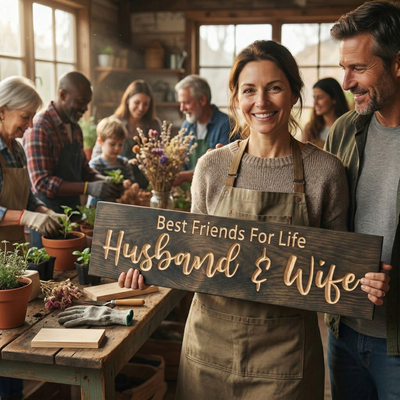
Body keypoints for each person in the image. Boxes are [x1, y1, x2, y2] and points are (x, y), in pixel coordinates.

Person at [119, 40, 352, 399]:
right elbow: (190, 258)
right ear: (236, 97)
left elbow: (339, 272)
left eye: (274, 88)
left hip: (286, 356)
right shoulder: (210, 168)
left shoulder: (326, 172)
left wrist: (361, 281)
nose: (261, 102)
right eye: (249, 90)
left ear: (294, 94)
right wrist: (147, 273)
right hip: (208, 348)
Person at [324, 2, 399, 399]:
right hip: (345, 334)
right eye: (344, 67)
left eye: (359, 68)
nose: (346, 81)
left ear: (397, 64)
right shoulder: (344, 130)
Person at [0, 76, 63, 400]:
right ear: (1, 111)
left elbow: (28, 198)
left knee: (15, 340)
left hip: (12, 255)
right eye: (24, 117)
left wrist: (43, 210)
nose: (28, 125)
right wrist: (28, 217)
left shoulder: (17, 149)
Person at [23, 71, 121, 247]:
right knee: (50, 271)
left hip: (74, 214)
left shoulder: (75, 127)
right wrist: (88, 187)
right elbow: (41, 182)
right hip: (47, 220)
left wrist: (104, 181)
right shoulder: (39, 127)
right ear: (63, 95)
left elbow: (84, 169)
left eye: (87, 103)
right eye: (81, 102)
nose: (85, 108)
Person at [91, 80, 161, 189]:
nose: (141, 108)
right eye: (137, 102)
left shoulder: (153, 124)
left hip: (145, 182)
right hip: (117, 182)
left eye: (146, 104)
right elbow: (97, 154)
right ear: (128, 100)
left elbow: (161, 153)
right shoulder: (114, 123)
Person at [173, 74, 231, 186]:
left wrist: (184, 177)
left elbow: (221, 169)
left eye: (187, 102)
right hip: (187, 195)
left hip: (214, 194)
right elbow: (182, 163)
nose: (182, 108)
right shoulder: (186, 126)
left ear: (203, 100)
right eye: (181, 103)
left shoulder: (226, 125)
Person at [88, 116, 134, 206]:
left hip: (118, 206)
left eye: (120, 144)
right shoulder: (95, 164)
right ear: (101, 142)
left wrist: (128, 184)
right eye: (112, 144)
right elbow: (95, 186)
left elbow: (130, 182)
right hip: (96, 207)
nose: (117, 148)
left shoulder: (124, 163)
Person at [302, 77, 349, 148]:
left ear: (334, 99)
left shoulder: (348, 127)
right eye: (314, 98)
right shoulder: (310, 129)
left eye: (320, 98)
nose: (315, 103)